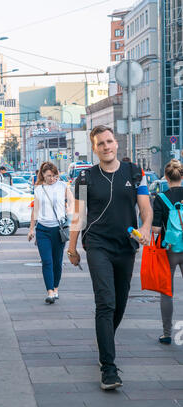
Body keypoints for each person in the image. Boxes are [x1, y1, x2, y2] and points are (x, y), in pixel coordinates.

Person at [68, 125, 152, 391]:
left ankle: (106, 341)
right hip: (97, 245)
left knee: (119, 305)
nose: (106, 146)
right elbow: (79, 216)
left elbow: (145, 208)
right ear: (94, 148)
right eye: (100, 144)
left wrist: (147, 227)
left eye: (109, 141)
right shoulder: (84, 178)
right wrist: (72, 248)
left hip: (126, 246)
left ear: (117, 143)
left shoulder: (135, 173)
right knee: (105, 302)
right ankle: (109, 368)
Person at [27, 162, 73, 304]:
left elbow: (72, 203)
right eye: (48, 176)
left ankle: (56, 287)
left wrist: (69, 215)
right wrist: (31, 229)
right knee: (47, 261)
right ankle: (50, 292)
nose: (52, 179)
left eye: (54, 176)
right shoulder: (39, 189)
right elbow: (35, 210)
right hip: (42, 230)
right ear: (43, 175)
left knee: (57, 262)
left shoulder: (63, 186)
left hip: (58, 230)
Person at [152, 159, 183, 345]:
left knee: (167, 292)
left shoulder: (161, 198)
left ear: (165, 177)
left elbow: (155, 229)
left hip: (169, 250)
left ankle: (166, 334)